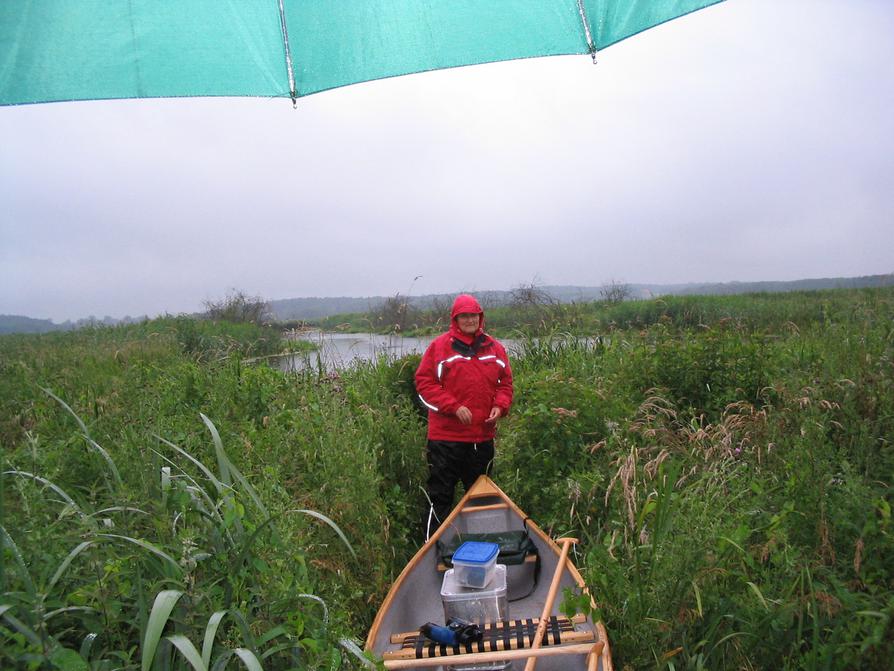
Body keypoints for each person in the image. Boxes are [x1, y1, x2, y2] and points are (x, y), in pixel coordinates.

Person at [415, 293, 513, 538]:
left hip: (481, 440)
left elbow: (505, 384)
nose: (470, 320)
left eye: (474, 315)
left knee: (481, 499)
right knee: (441, 497)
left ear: (480, 318)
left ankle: (481, 548)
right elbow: (424, 385)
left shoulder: (495, 348)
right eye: (464, 316)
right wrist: (454, 406)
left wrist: (500, 406)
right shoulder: (439, 347)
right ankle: (433, 549)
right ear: (455, 319)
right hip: (445, 441)